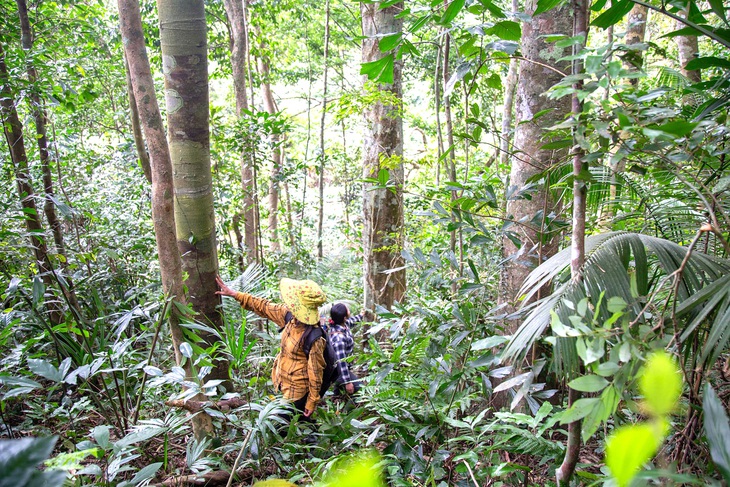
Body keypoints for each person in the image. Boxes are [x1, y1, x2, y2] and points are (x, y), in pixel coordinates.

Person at [215, 275, 328, 421]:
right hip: (282, 381)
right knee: (296, 422)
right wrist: (236, 294)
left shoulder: (314, 337)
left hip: (297, 391)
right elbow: (264, 306)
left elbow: (315, 372)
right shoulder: (289, 317)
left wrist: (312, 401)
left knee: (281, 425)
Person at [327, 303, 365, 395]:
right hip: (337, 371)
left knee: (339, 394)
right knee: (361, 389)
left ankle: (336, 398)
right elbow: (341, 362)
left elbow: (352, 321)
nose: (348, 309)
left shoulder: (342, 324)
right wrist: (348, 382)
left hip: (342, 369)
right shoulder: (339, 338)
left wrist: (361, 315)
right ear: (344, 317)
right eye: (347, 309)